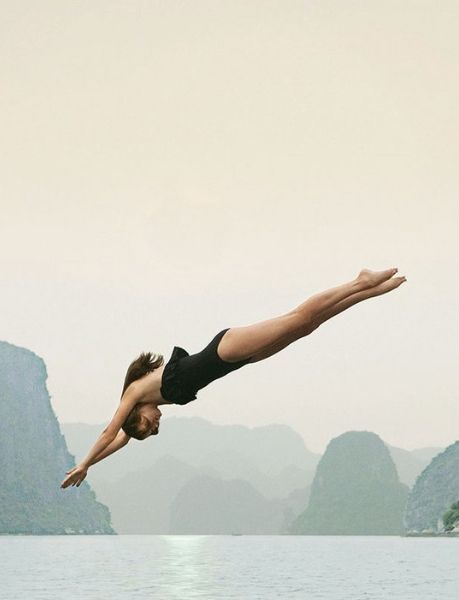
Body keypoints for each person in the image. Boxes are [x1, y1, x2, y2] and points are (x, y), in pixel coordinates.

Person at [60, 267, 406, 489]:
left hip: (223, 349)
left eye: (150, 426)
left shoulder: (135, 392)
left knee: (297, 317)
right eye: (154, 430)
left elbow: (109, 432)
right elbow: (120, 441)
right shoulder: (146, 402)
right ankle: (368, 294)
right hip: (238, 361)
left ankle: (359, 281)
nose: (157, 426)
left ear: (137, 416)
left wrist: (83, 464)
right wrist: (93, 466)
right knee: (306, 329)